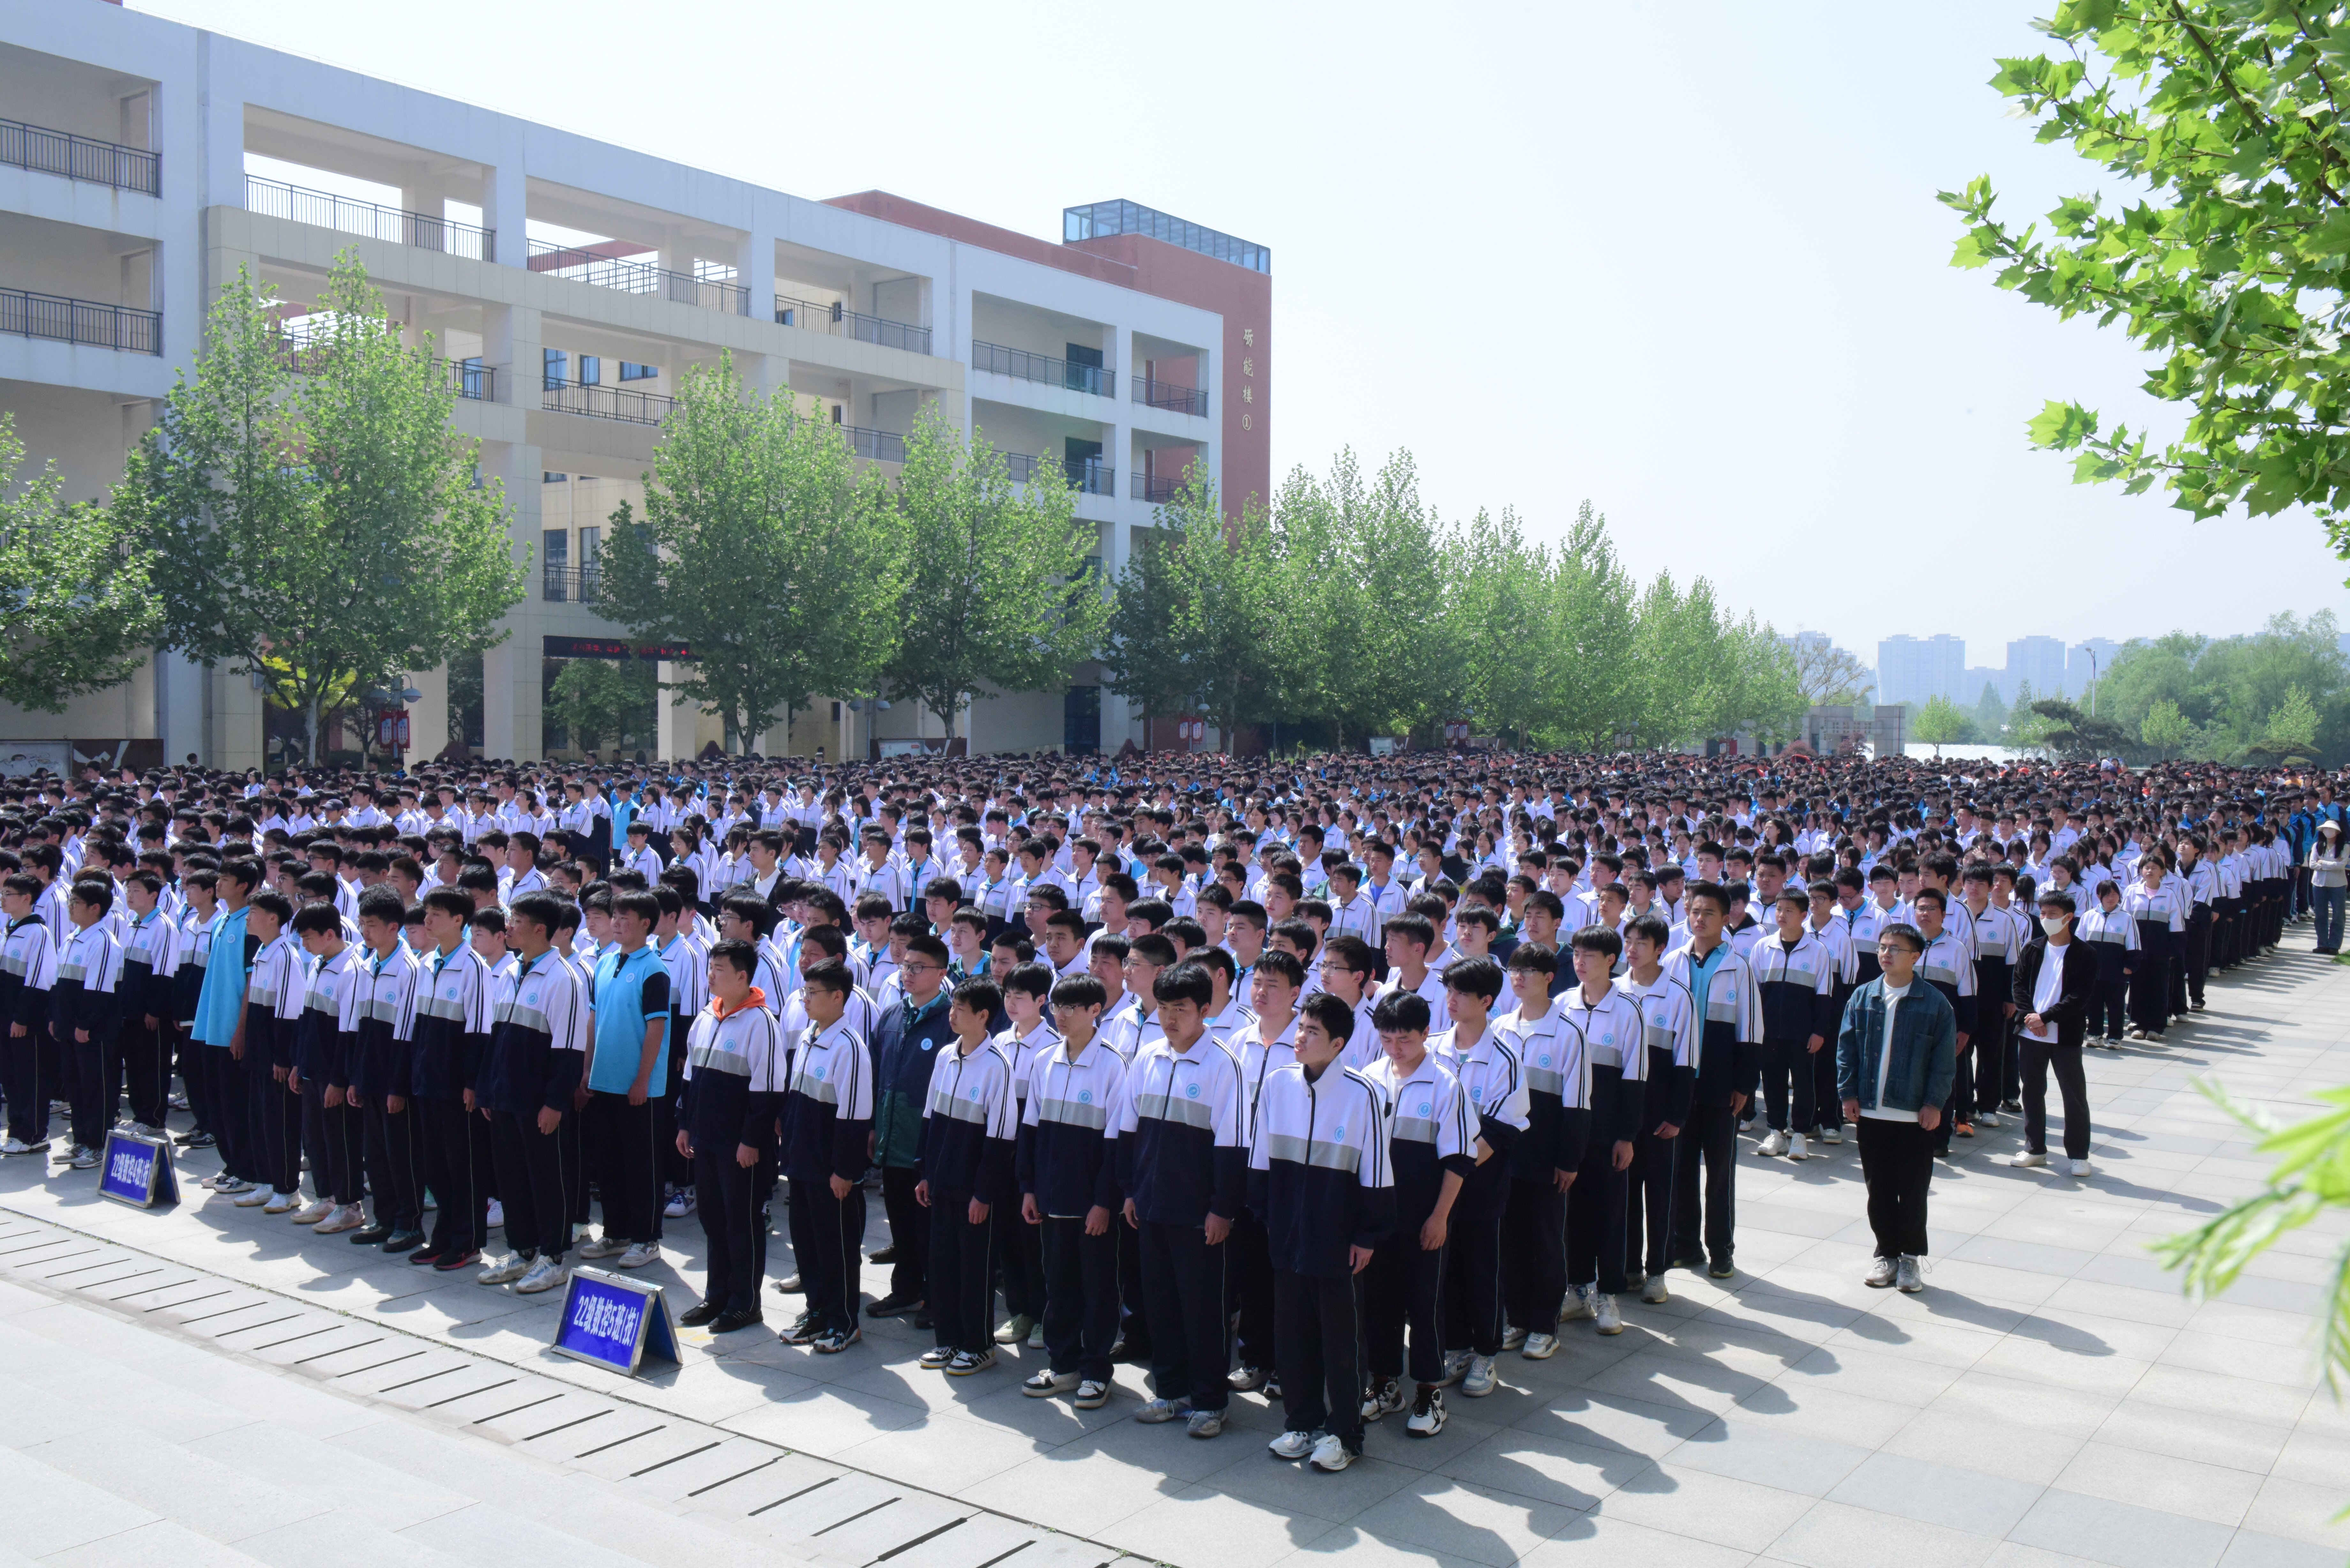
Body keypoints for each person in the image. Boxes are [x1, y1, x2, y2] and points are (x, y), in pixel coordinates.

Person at [1251, 989, 1392, 1473]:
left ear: (1338, 1044)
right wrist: (1268, 1215)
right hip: (1287, 1233)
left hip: (1338, 1238)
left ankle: (1346, 1433)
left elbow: (1376, 1170)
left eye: (1312, 1031)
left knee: (1341, 1340)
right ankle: (1302, 1422)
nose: (1300, 1037)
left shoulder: (1362, 1094)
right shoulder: (1278, 1083)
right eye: (1301, 1027)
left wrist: (1366, 1234)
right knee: (1292, 1333)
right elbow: (1259, 1158)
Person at [1115, 961, 1245, 1438]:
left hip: (1198, 1214)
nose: (1170, 1018)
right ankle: (1170, 1391)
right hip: (1151, 1207)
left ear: (1205, 1010)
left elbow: (1233, 1146)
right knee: (1161, 1305)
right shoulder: (1148, 1057)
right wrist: (1130, 1191)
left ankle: (1210, 1401)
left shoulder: (1224, 1064)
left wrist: (1222, 1208)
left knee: (1204, 1309)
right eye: (1164, 1008)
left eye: (1182, 1009)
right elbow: (1128, 1130)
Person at [1017, 973, 1121, 1408]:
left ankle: (1096, 1370)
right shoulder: (1045, 1060)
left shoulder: (1113, 1065)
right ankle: (1063, 1365)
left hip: (1091, 1204)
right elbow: (1030, 1132)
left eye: (1071, 1008)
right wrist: (1029, 1189)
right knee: (1058, 1284)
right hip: (1051, 1198)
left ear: (1095, 1010)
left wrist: (1103, 1202)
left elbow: (1117, 1145)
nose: (1060, 1015)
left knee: (1097, 1288)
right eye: (1056, 1006)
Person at [1835, 921, 1956, 1293]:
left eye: (1895, 949)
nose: (1886, 954)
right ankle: (1885, 1253)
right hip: (1871, 1111)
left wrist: (1934, 1103)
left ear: (1915, 957)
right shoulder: (1863, 996)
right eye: (1882, 947)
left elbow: (1943, 1061)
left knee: (1914, 1189)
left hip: (1913, 1114)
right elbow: (1846, 1049)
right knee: (1879, 1189)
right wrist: (1848, 1093)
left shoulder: (1934, 1003)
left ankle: (1910, 1258)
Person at [477, 893, 588, 1295]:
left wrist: (555, 1103)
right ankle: (521, 1249)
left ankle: (552, 1257)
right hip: (505, 1097)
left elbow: (570, 1051)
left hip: (539, 1102)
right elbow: (496, 1038)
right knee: (511, 1177)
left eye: (516, 921)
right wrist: (488, 1090)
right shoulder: (510, 972)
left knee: (548, 1178)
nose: (508, 927)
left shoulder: (564, 979)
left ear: (540, 929)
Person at [676, 939, 786, 1330]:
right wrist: (685, 1125)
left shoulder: (762, 1023)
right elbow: (690, 1077)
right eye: (710, 967)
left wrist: (751, 1141)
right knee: (713, 1219)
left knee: (742, 1223)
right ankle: (717, 1295)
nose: (711, 975)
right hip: (706, 1138)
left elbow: (769, 1091)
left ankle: (745, 1302)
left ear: (742, 976)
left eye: (719, 969)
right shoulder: (708, 1015)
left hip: (740, 1147)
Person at [916, 978, 1021, 1376]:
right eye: (953, 1006)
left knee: (974, 1269)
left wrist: (984, 1194)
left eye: (961, 1008)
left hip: (974, 1191)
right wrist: (925, 1173)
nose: (953, 1014)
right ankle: (948, 1340)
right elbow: (930, 1116)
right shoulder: (946, 1055)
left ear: (983, 1016)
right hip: (942, 1184)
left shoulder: (998, 1066)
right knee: (942, 1264)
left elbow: (1001, 1138)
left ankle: (978, 1345)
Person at [779, 957, 873, 1353]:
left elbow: (854, 1116)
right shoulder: (809, 1035)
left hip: (830, 1169)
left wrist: (844, 1170)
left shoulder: (849, 1047)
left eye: (813, 993)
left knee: (837, 1247)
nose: (805, 999)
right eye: (804, 991)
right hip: (801, 1162)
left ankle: (843, 1320)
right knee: (807, 1243)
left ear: (838, 997)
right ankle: (817, 1310)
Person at [2006, 892, 2099, 1178]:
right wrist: (2031, 1017)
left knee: (2074, 1095)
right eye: (2043, 913)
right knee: (2032, 1091)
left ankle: (2079, 1155)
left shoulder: (2085, 954)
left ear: (2069, 918)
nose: (2046, 919)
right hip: (2031, 1034)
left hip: (2065, 1035)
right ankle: (2035, 1149)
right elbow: (2019, 984)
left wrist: (2045, 1017)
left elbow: (2079, 996)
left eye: (2053, 914)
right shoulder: (2033, 948)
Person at [2308, 820, 2346, 955]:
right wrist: (2332, 865)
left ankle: (2335, 945)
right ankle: (2322, 944)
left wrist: (2323, 863)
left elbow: (2341, 866)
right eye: (2326, 829)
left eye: (2331, 829)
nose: (2328, 832)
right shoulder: (2317, 846)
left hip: (2338, 884)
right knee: (2320, 915)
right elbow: (2312, 864)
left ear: (2337, 832)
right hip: (2319, 884)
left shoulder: (2344, 847)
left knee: (2338, 915)